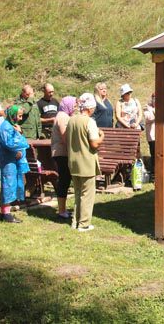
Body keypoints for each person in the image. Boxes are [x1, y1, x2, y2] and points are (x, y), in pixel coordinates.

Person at [67, 93, 104, 232]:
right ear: (90, 108)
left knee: (77, 193)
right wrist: (102, 136)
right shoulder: (90, 122)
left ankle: (75, 221)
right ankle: (84, 224)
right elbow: (94, 143)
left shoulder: (71, 120)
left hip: (73, 161)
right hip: (86, 161)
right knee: (87, 194)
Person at [0, 105, 31, 223]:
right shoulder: (5, 127)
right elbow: (10, 143)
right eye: (19, 116)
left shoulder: (11, 126)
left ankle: (7, 210)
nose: (20, 118)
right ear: (13, 115)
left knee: (13, 183)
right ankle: (5, 213)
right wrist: (20, 137)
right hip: (8, 161)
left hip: (13, 160)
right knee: (8, 184)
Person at [51, 96, 77, 220]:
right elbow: (65, 137)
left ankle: (63, 209)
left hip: (62, 153)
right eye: (74, 105)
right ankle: (62, 210)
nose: (75, 107)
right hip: (62, 153)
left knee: (65, 181)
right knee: (64, 181)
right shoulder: (63, 117)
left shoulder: (63, 116)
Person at [143, 94, 156, 178]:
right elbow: (149, 118)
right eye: (155, 99)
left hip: (162, 135)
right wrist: (155, 112)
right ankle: (154, 172)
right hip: (152, 135)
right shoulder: (147, 108)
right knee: (154, 153)